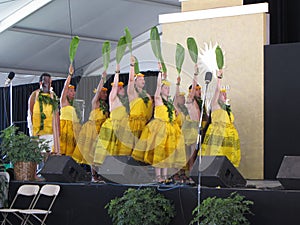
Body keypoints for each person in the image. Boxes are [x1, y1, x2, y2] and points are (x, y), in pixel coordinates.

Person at [132, 65, 186, 183]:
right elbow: (158, 85)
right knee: (159, 152)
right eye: (165, 88)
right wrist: (160, 73)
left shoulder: (169, 103)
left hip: (170, 129)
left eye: (168, 88)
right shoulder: (158, 98)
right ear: (160, 89)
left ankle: (165, 176)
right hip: (159, 128)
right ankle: (158, 176)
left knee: (167, 153)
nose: (167, 89)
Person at [72, 71, 109, 180]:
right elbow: (97, 92)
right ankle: (93, 175)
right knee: (91, 153)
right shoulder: (95, 103)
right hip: (92, 129)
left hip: (101, 130)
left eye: (106, 93)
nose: (105, 94)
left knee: (99, 154)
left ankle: (100, 175)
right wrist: (102, 79)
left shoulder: (105, 105)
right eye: (103, 92)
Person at [201, 70, 241, 167]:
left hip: (228, 136)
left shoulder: (226, 108)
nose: (224, 95)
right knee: (217, 155)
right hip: (218, 134)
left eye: (225, 94)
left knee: (227, 157)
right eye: (222, 94)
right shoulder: (215, 105)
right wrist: (219, 78)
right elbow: (217, 90)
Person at [93, 64, 131, 165]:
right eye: (121, 88)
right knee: (104, 150)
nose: (123, 89)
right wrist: (117, 73)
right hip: (111, 126)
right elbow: (114, 86)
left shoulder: (123, 101)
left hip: (120, 127)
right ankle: (96, 174)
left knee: (115, 152)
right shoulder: (113, 97)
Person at [28, 72, 60, 153]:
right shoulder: (34, 95)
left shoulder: (53, 96)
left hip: (51, 133)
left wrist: (58, 131)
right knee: (40, 158)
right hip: (39, 134)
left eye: (49, 83)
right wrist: (33, 135)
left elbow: (57, 114)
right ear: (40, 83)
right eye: (45, 83)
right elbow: (31, 114)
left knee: (52, 158)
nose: (48, 85)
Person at [126, 56, 153, 149]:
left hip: (145, 124)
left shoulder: (147, 95)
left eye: (143, 79)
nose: (143, 81)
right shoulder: (132, 93)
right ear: (135, 81)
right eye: (140, 79)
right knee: (133, 147)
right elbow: (130, 80)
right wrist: (132, 65)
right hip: (134, 124)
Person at [59, 64, 81, 157]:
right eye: (71, 91)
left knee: (72, 153)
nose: (74, 93)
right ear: (67, 92)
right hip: (65, 127)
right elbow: (65, 87)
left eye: (74, 91)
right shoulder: (63, 101)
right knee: (64, 151)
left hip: (73, 128)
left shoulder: (74, 104)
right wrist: (70, 75)